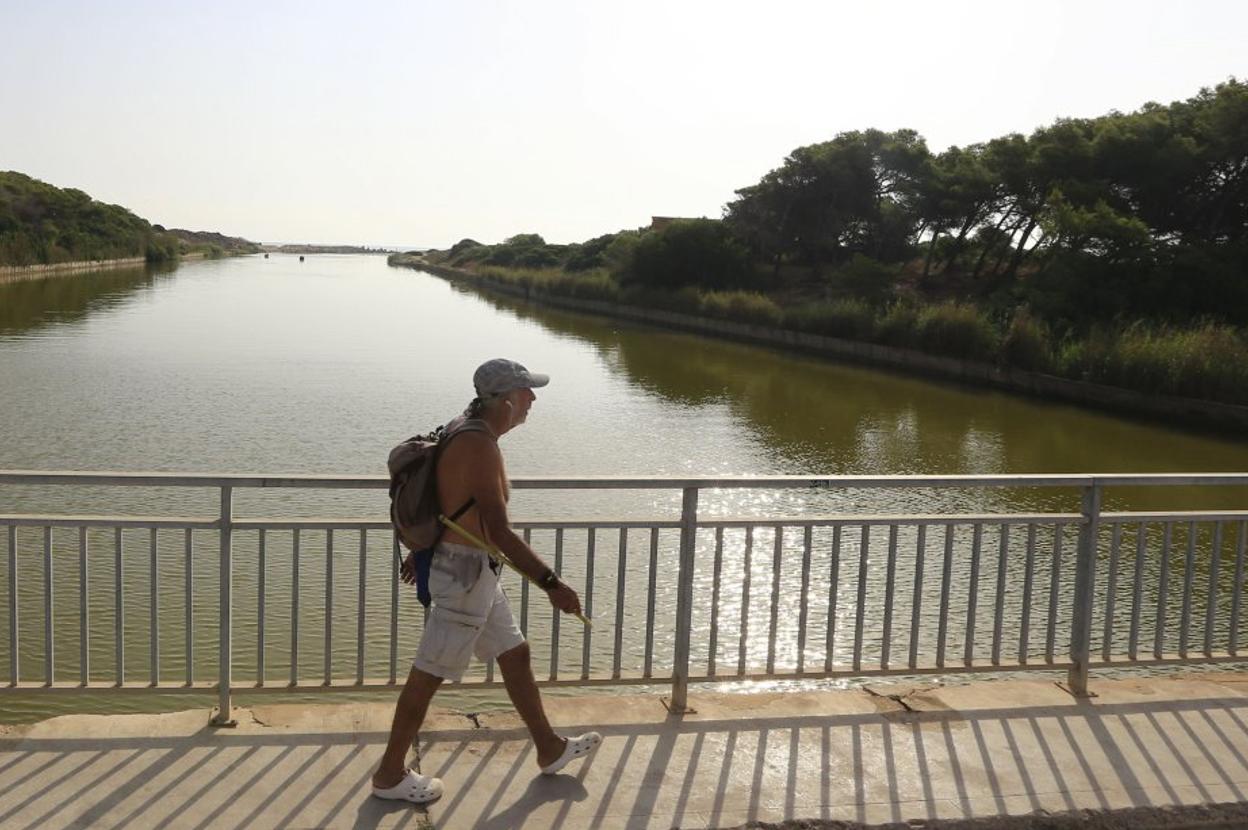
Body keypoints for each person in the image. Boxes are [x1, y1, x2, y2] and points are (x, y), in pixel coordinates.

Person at [371, 358, 602, 804]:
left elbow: (447, 501)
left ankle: (549, 749)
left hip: (471, 569)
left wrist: (424, 552)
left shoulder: (466, 427)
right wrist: (552, 583)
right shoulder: (480, 446)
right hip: (464, 575)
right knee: (427, 677)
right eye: (528, 392)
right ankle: (389, 775)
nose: (533, 399)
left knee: (514, 654)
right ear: (508, 400)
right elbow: (497, 530)